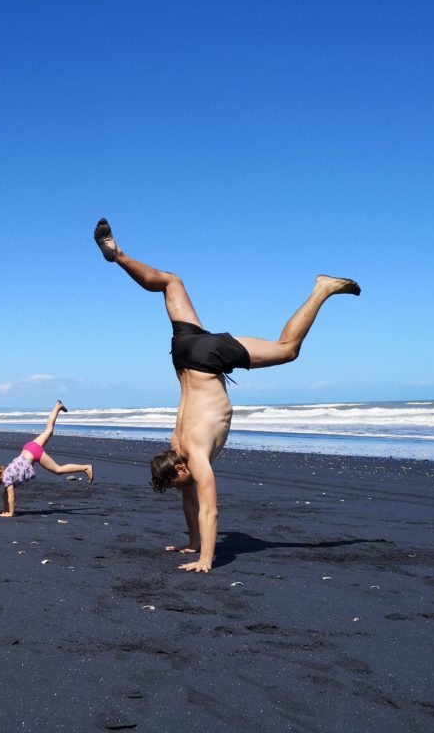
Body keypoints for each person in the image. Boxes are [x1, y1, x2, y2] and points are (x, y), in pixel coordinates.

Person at [94, 218, 360, 572]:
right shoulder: (176, 446)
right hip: (187, 352)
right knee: (171, 282)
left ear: (182, 467)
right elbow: (189, 499)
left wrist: (206, 559)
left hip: (207, 361)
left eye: (178, 481)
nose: (182, 487)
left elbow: (210, 508)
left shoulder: (197, 458)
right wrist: (192, 543)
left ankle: (322, 288)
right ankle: (120, 256)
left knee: (288, 349)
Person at [0, 400, 94, 517]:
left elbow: (11, 496)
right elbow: (5, 496)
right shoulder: (7, 473)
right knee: (49, 430)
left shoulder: (7, 478)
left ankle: (85, 467)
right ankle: (57, 407)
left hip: (33, 453)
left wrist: (10, 513)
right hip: (28, 448)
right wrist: (5, 511)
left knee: (58, 470)